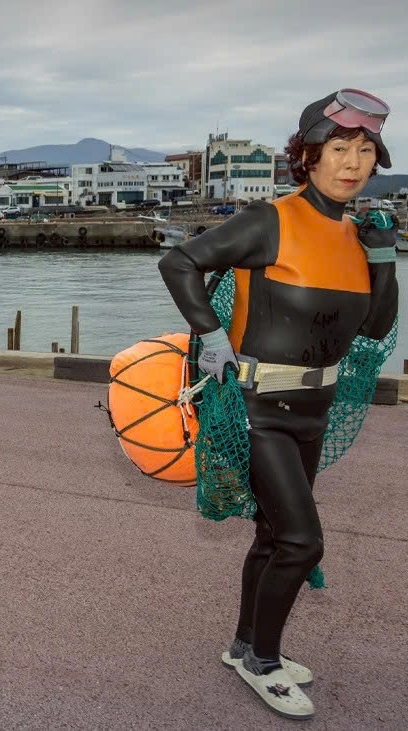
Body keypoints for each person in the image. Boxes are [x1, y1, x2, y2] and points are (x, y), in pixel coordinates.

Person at [158, 89, 398, 719]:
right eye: (338, 148)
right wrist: (210, 336)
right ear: (310, 156)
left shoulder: (355, 236)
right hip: (254, 405)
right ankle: (264, 662)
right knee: (301, 541)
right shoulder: (273, 219)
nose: (352, 162)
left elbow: (375, 328)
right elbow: (180, 260)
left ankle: (246, 648)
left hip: (314, 409)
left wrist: (384, 258)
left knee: (272, 537)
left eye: (364, 150)